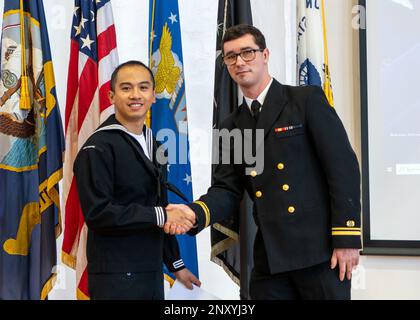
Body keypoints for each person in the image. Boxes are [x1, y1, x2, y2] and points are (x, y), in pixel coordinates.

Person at [166, 24, 362, 300]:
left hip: (319, 253)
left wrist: (347, 239)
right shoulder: (231, 126)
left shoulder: (304, 101)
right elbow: (226, 190)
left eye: (247, 52)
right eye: (231, 57)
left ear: (265, 54)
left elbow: (342, 170)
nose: (239, 62)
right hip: (271, 256)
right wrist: (194, 213)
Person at [73, 60, 199, 300]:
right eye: (126, 88)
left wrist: (176, 265)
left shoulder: (155, 146)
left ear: (153, 96)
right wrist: (161, 215)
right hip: (116, 276)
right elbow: (98, 213)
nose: (135, 95)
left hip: (149, 272)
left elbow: (160, 207)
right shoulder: (97, 148)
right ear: (111, 96)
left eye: (143, 88)